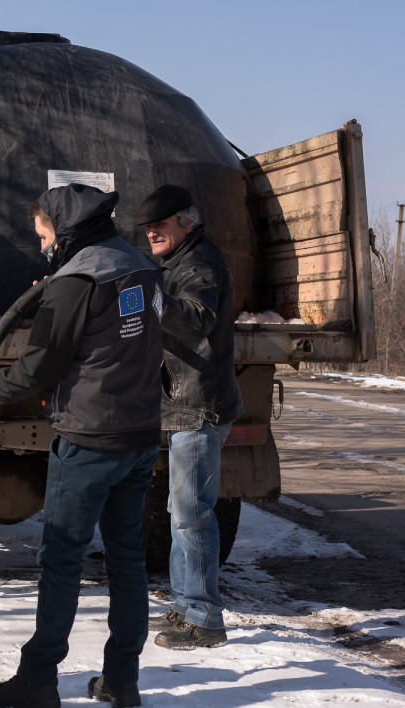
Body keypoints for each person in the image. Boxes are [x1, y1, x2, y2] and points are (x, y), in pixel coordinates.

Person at [0, 183, 164, 708]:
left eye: (44, 234)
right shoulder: (139, 266)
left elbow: (40, 366)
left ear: (64, 231)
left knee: (62, 559)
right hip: (140, 436)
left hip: (90, 438)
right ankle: (122, 679)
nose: (42, 245)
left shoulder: (75, 281)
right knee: (127, 558)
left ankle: (39, 681)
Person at [137, 185, 243, 650]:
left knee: (192, 516)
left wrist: (148, 295)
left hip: (200, 406)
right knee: (179, 512)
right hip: (185, 404)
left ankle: (205, 619)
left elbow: (197, 317)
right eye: (148, 227)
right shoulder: (174, 265)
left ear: (188, 221)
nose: (152, 232)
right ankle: (185, 607)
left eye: (161, 224)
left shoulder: (201, 265)